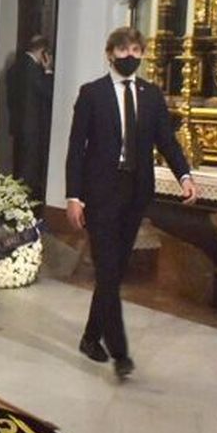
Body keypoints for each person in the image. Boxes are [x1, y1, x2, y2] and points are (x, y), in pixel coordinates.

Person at [65, 26, 197, 379]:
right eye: (123, 51)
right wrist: (74, 196)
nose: (130, 57)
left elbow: (166, 141)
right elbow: (77, 149)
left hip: (135, 192)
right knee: (108, 270)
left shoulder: (150, 95)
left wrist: (184, 175)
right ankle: (120, 352)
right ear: (110, 54)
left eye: (136, 50)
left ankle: (91, 336)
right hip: (101, 194)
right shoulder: (92, 94)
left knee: (114, 270)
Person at [6, 34, 54, 197]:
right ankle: (27, 205)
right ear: (43, 52)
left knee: (19, 167)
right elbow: (47, 93)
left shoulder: (15, 67)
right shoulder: (33, 69)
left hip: (18, 125)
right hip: (33, 127)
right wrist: (48, 70)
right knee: (29, 171)